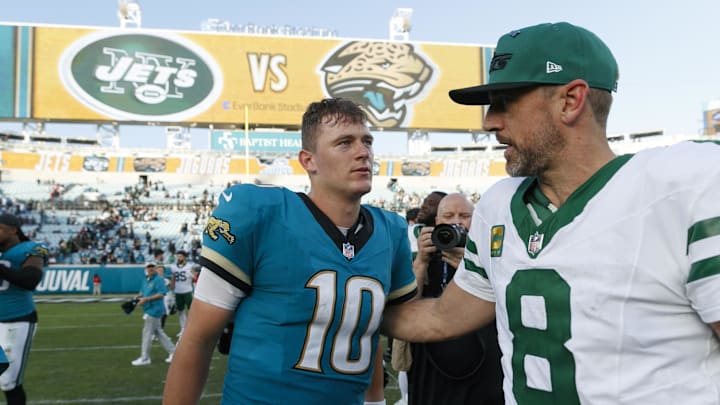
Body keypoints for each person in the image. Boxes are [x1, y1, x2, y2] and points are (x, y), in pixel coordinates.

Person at [382, 22, 720, 404]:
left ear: (570, 100)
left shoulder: (686, 185)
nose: (490, 121)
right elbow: (443, 317)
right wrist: (350, 307)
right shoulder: (498, 206)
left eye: (505, 101)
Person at [164, 98, 417, 405]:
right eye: (344, 143)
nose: (363, 152)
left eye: (367, 141)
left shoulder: (389, 230)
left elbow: (369, 331)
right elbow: (198, 337)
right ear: (308, 160)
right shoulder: (260, 212)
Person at [406, 193, 503, 405]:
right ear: (437, 222)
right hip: (431, 363)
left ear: (475, 220)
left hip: (482, 361)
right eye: (448, 216)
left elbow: (505, 303)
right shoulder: (426, 254)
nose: (456, 222)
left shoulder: (490, 253)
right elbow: (407, 305)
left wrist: (471, 271)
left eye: (464, 215)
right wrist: (421, 261)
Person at [0, 213, 49, 405]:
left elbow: (30, 280)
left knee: (7, 380)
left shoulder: (31, 249)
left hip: (16, 320)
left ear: (13, 230)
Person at [130, 262, 175, 366]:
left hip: (155, 310)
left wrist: (146, 299)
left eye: (152, 267)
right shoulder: (146, 279)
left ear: (155, 268)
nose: (150, 269)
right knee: (159, 333)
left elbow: (161, 293)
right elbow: (142, 292)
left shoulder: (158, 279)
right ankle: (174, 352)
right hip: (148, 308)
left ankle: (145, 358)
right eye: (148, 267)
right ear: (146, 268)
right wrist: (137, 298)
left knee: (147, 333)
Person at [168, 250, 194, 338]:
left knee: (192, 311)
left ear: (184, 257)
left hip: (188, 291)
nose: (178, 258)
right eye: (178, 256)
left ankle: (192, 328)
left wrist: (193, 276)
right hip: (178, 292)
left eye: (180, 256)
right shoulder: (173, 267)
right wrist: (171, 292)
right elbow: (173, 279)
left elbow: (194, 278)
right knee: (180, 311)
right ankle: (183, 329)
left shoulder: (190, 266)